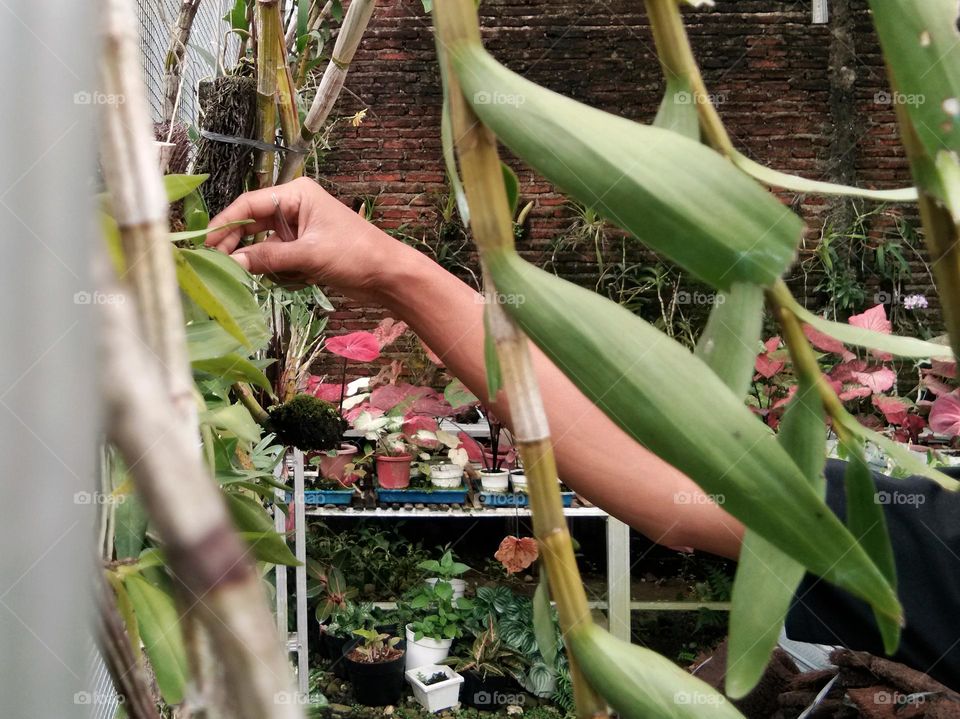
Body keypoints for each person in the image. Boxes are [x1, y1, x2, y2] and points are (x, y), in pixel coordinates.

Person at [207, 177, 960, 688]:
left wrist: (396, 273)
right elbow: (657, 474)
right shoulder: (923, 540)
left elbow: (661, 479)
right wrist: (394, 274)